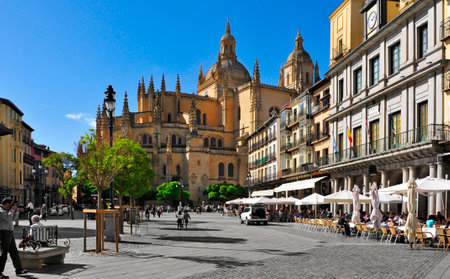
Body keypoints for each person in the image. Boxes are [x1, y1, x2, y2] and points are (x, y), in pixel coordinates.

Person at [0, 198, 29, 278]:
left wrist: (16, 211)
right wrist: (12, 210)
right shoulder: (1, 210)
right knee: (3, 253)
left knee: (14, 252)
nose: (12, 206)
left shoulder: (8, 211)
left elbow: (12, 219)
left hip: (9, 232)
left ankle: (19, 269)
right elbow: (7, 218)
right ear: (6, 204)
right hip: (3, 233)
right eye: (11, 204)